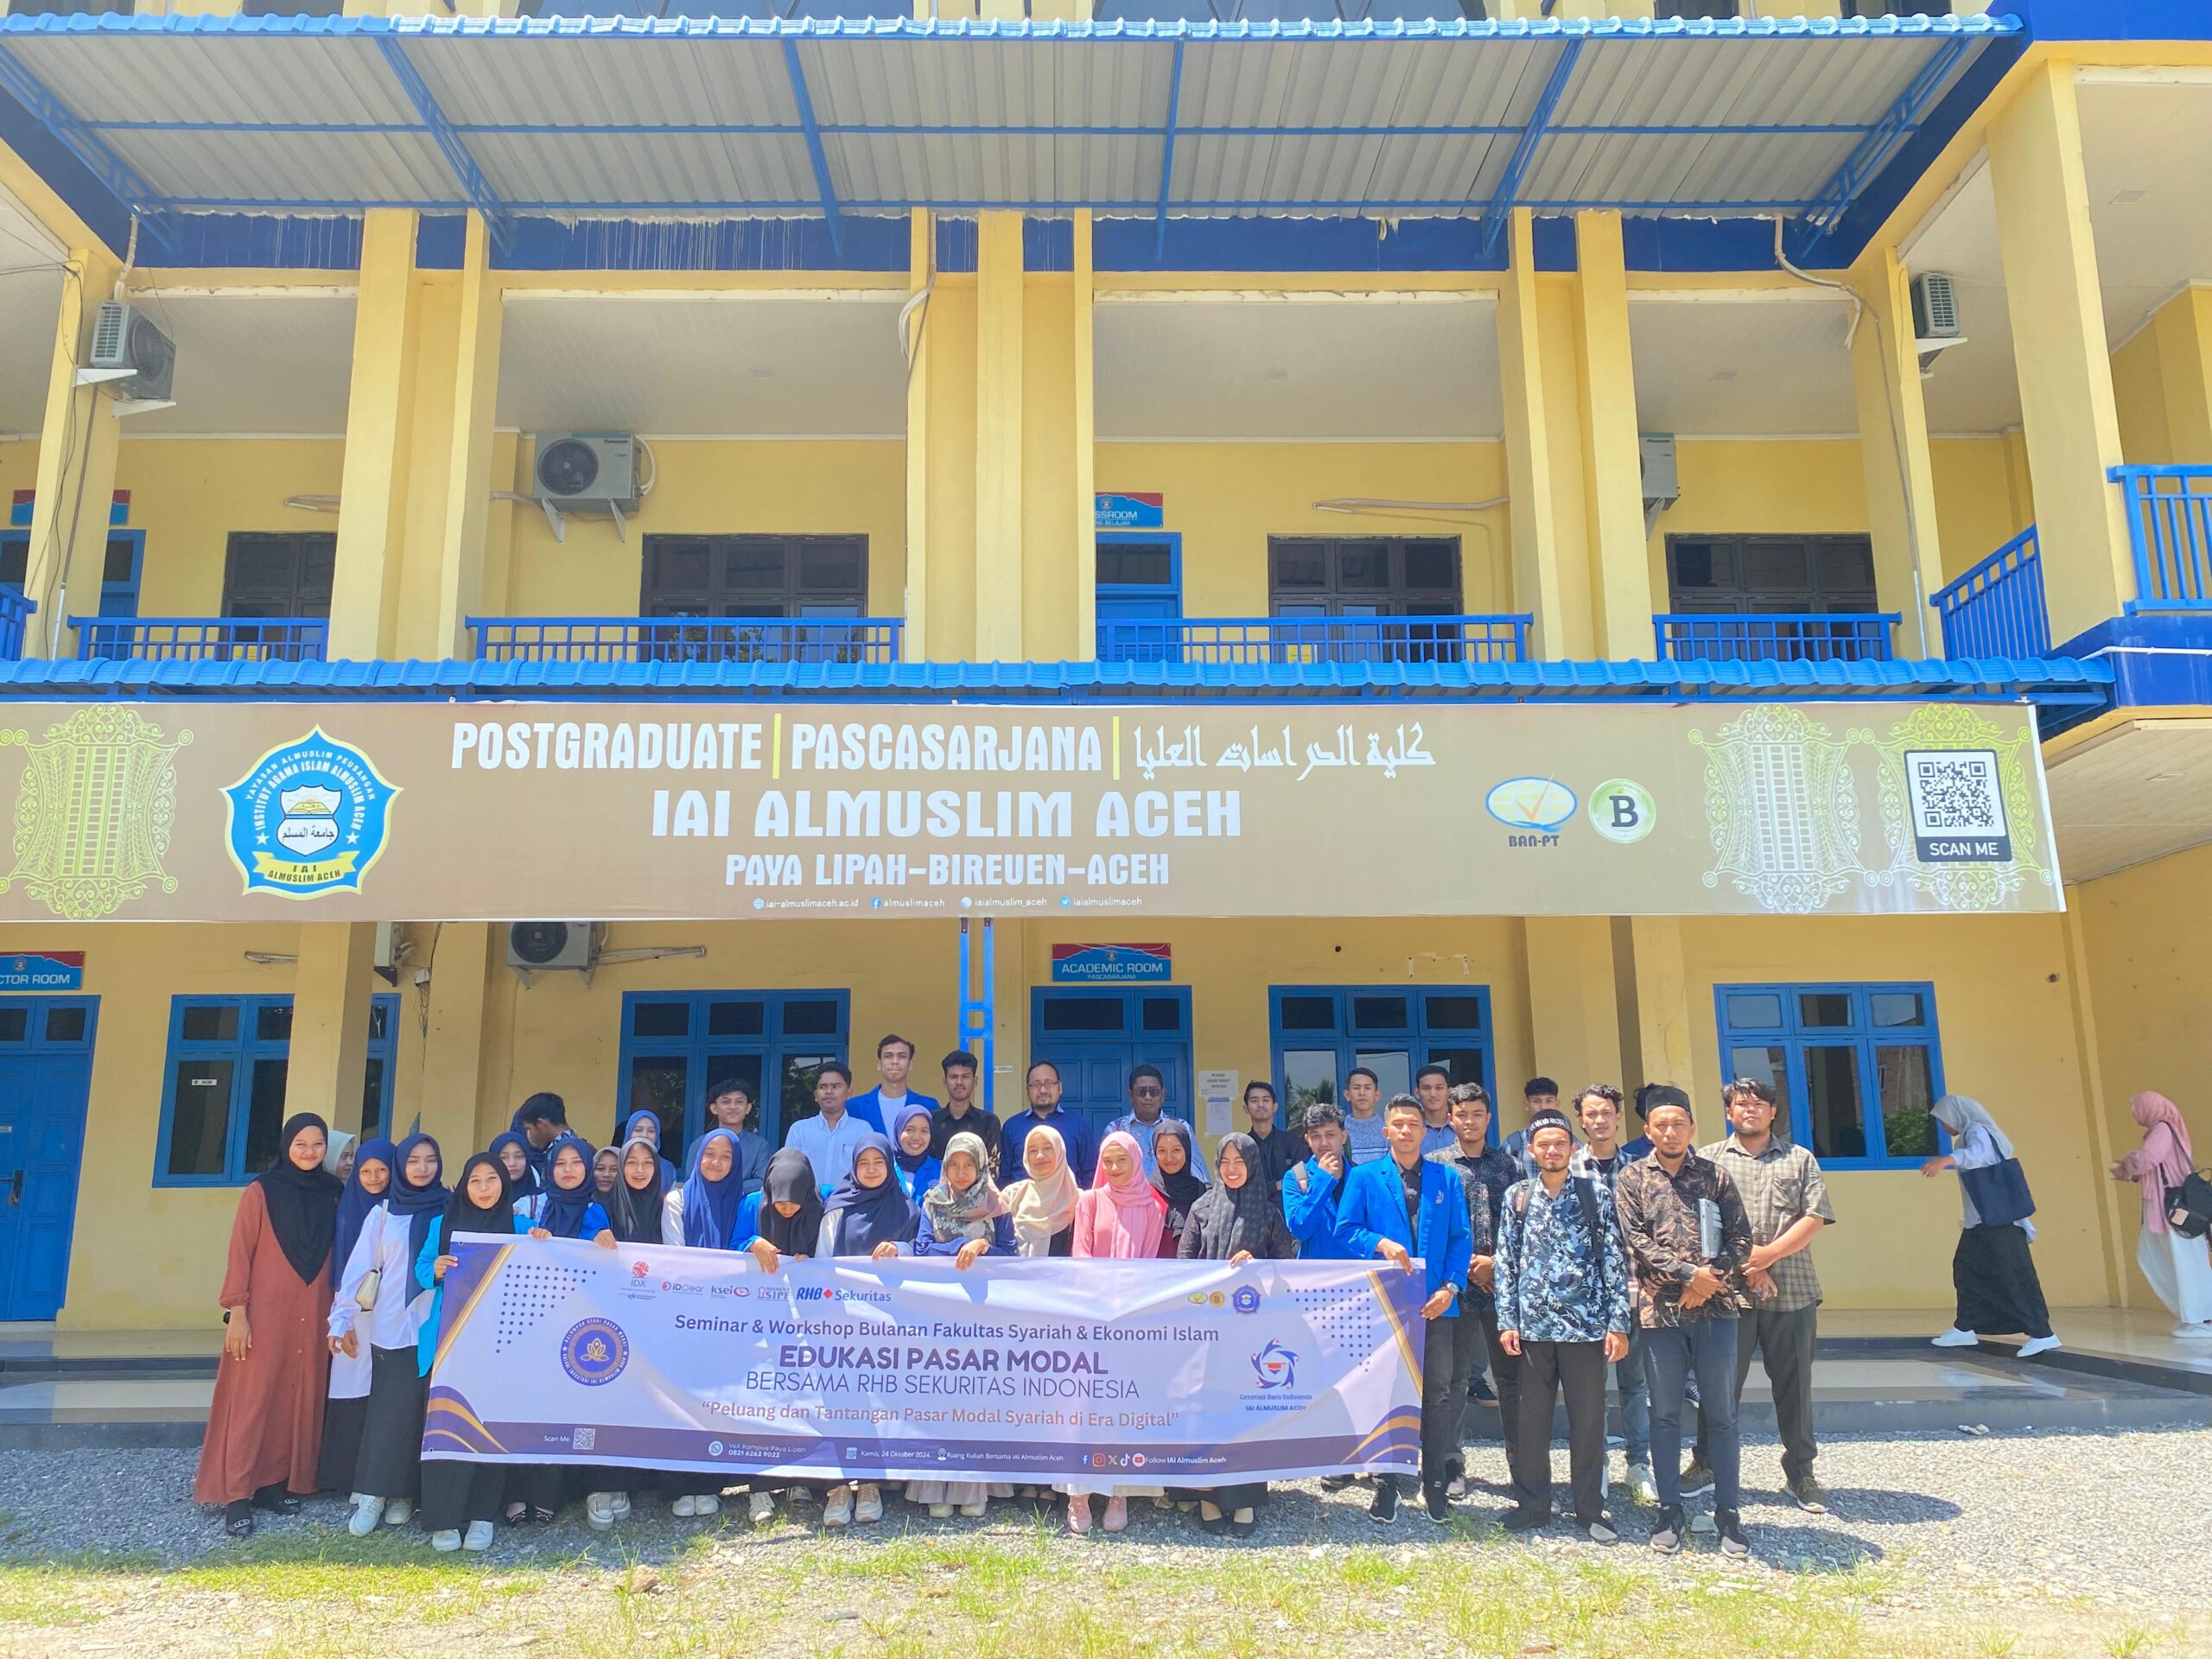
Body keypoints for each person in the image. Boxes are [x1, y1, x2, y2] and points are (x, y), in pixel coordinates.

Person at [1614, 1084, 1753, 1558]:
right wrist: (1688, 1275)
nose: (1670, 1131)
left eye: (1679, 1123)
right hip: (1661, 1314)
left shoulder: (1716, 1177)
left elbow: (1741, 1237)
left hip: (1717, 1310)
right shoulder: (1633, 1178)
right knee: (1665, 1413)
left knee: (1722, 1415)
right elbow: (1635, 1241)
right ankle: (1669, 1510)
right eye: (1661, 1124)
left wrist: (1709, 1278)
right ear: (1648, 1131)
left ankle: (1729, 1513)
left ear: (1693, 1128)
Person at [194, 1114, 340, 1536]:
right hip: (264, 1314)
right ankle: (237, 1494)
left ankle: (272, 1485)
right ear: (286, 1146)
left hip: (313, 1311)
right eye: (301, 1144)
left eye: (317, 1145)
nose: (310, 1152)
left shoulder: (332, 1193)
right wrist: (237, 1312)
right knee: (252, 1400)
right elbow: (241, 1252)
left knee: (294, 1396)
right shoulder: (261, 1191)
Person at [1696, 1077, 1836, 1514]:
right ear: (1729, 1112)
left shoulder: (1799, 1159)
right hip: (1725, 1295)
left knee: (1794, 1389)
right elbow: (1700, 1224)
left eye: (1759, 1104)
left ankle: (1801, 1474)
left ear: (1774, 1112)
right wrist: (1748, 1267)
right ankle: (1705, 1465)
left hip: (1791, 1291)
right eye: (1741, 1104)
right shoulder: (1709, 1160)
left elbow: (1814, 1217)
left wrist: (1767, 1257)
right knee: (1718, 1387)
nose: (1750, 1110)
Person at [1494, 1110, 1630, 1542]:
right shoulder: (1517, 1196)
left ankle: (1590, 1508)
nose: (1552, 1151)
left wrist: (1618, 1323)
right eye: (1543, 1144)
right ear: (1531, 1151)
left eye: (1560, 1143)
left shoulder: (1595, 1195)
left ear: (1572, 1149)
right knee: (1531, 1420)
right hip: (1533, 1328)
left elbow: (1613, 1260)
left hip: (1586, 1328)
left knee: (1588, 1421)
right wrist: (1507, 1319)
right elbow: (1506, 1263)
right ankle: (1533, 1505)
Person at [1337, 1096, 1473, 1526]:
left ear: (1425, 1129)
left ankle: (1433, 1482)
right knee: (1387, 1394)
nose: (1407, 1130)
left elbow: (1460, 1238)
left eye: (1414, 1123)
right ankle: (1387, 1483)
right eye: (1398, 1124)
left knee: (1437, 1394)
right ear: (1386, 1131)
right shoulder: (1364, 1177)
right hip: (1386, 1305)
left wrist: (1452, 1287)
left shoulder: (1446, 1178)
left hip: (1436, 1306)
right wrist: (1380, 1243)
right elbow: (1346, 1231)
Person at [1179, 1131, 1297, 1538]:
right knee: (1209, 1413)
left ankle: (1245, 1499)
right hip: (1206, 1335)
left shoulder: (1267, 1214)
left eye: (1239, 1161)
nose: (1231, 1169)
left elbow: (1287, 1270)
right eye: (1224, 1161)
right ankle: (1209, 1497)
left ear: (1252, 1165)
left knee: (1245, 1416)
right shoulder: (1201, 1209)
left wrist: (1257, 1265)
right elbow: (1184, 1268)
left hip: (1251, 1337)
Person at [329, 1133, 448, 1538]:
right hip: (393, 1326)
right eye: (413, 1160)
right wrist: (340, 1319)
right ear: (402, 1166)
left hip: (436, 1325)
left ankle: (404, 1495)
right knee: (388, 1413)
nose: (422, 1168)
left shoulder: (450, 1209)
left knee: (423, 1412)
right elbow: (360, 1268)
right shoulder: (384, 1214)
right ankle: (374, 1494)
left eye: (430, 1160)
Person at [416, 1154, 531, 1551]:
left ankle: (483, 1517)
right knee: (446, 1432)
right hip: (450, 1343)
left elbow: (549, 1260)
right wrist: (436, 1269)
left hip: (500, 1347)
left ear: (505, 1184)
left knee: (489, 1430)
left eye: (492, 1180)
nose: (484, 1188)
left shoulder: (522, 1227)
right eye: (476, 1181)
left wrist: (542, 1243)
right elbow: (421, 1268)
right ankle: (444, 1520)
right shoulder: (442, 1224)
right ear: (464, 1186)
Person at [1065, 1130, 1168, 1534]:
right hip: (1090, 1319)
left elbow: (1146, 1264)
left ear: (1136, 1161)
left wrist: (1124, 1307)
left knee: (1123, 1408)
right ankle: (1078, 1494)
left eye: (1120, 1161)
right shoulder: (1089, 1201)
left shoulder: (1154, 1207)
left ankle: (1118, 1492)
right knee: (1084, 1408)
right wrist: (1099, 1305)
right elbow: (1080, 1256)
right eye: (1106, 1161)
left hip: (1130, 1321)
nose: (1112, 1168)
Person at [1428, 1082, 1522, 1503]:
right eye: (1461, 1114)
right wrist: (1465, 1269)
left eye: (1477, 1114)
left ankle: (1524, 1466)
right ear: (1450, 1118)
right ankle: (1450, 1463)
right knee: (1453, 1379)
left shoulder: (1510, 1167)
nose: (1469, 1121)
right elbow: (1435, 1230)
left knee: (1513, 1380)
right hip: (1456, 1289)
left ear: (1488, 1117)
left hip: (1504, 1290)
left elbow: (1525, 1229)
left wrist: (1496, 1266)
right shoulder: (1437, 1167)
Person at [655, 1128, 753, 1524]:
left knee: (716, 1401)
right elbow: (676, 1257)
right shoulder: (676, 1200)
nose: (716, 1162)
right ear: (697, 1157)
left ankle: (711, 1484)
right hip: (685, 1315)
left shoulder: (745, 1204)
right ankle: (681, 1484)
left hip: (728, 1320)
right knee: (681, 1400)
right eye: (709, 1154)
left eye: (725, 1156)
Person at [1567, 1084, 1654, 1504]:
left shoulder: (1642, 1168)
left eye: (1606, 1113)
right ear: (1581, 1120)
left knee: (1636, 1384)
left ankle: (1639, 1464)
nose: (1599, 1120)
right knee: (1590, 1388)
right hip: (1583, 1300)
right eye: (1591, 1114)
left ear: (1619, 1118)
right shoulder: (1565, 1168)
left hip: (1635, 1290)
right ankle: (1594, 1463)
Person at [1924, 1093, 2060, 1357]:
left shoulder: (1978, 1131)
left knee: (2015, 1274)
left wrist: (1947, 1160)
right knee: (1966, 1269)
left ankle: (2043, 1334)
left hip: (1999, 1221)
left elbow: (1979, 1154)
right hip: (1980, 1222)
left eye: (1944, 1120)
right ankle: (1965, 1327)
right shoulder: (1967, 1134)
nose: (1943, 1127)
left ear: (1957, 1115)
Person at [737, 1149, 830, 1526]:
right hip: (760, 1317)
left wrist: (816, 1263)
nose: (788, 1210)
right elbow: (726, 1247)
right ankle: (758, 1487)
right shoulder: (751, 1204)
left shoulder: (823, 1200)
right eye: (781, 1203)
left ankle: (801, 1480)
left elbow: (834, 1248)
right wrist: (751, 1244)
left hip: (808, 1320)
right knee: (762, 1398)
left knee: (804, 1396)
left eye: (795, 1203)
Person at [318, 1135, 393, 1497]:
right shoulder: (348, 1208)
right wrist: (341, 1317)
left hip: (391, 1310)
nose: (374, 1178)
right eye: (366, 1171)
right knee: (349, 1386)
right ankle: (342, 1476)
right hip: (353, 1308)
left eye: (382, 1170)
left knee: (384, 1390)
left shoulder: (400, 1208)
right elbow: (342, 1268)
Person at [2113, 1091, 2212, 1338]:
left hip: (2174, 1209)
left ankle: (2202, 1318)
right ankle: (2192, 1314)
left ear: (2150, 1107)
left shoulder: (2163, 1129)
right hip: (2163, 1209)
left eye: (2136, 1107)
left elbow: (2149, 1158)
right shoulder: (2160, 1129)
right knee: (2154, 1256)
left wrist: (2128, 1161)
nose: (2134, 1113)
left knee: (2186, 1261)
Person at [1000, 1060, 1095, 1200]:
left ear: (1060, 1088)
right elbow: (1004, 1176)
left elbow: (1090, 1173)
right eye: (1036, 1085)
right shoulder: (1012, 1126)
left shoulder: (1079, 1125)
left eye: (1049, 1083)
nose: (1043, 1090)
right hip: (1022, 1213)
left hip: (1068, 1212)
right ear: (1028, 1090)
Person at [1105, 1065, 1210, 1183]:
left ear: (1162, 1095)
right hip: (1129, 1200)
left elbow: (1198, 1171)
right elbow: (1105, 1174)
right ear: (1131, 1096)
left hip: (1174, 1198)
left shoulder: (1181, 1128)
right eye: (1141, 1092)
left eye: (1154, 1092)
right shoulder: (1116, 1130)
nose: (1148, 1097)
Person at [1284, 1100, 1354, 1259]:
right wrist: (1323, 1179)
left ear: (1343, 1136)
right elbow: (1300, 1230)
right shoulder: (1295, 1176)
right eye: (1316, 1136)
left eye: (1330, 1135)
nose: (1323, 1143)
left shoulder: (1360, 1175)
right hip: (1314, 1277)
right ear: (1308, 1140)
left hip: (1355, 1276)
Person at [785, 1061, 871, 1188]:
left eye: (836, 1086)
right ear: (815, 1095)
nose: (829, 1091)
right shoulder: (799, 1130)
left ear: (849, 1093)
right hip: (807, 1204)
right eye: (823, 1087)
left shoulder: (863, 1130)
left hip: (848, 1204)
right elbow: (788, 1173)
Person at [519, 1135, 614, 1244]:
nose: (568, 1169)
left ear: (588, 1167)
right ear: (551, 1169)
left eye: (576, 1162)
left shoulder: (593, 1211)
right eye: (560, 1163)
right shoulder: (533, 1207)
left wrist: (597, 1236)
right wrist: (536, 1235)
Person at [1004, 1125, 1080, 1258]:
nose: (1040, 1156)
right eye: (1032, 1150)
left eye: (1048, 1148)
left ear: (1060, 1151)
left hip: (1063, 1277)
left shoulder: (1077, 1199)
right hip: (1017, 1277)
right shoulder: (1013, 1195)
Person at [848, 1033, 938, 1137]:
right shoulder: (854, 1107)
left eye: (902, 1056)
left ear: (910, 1065)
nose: (895, 1061)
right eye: (888, 1056)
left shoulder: (929, 1106)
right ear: (879, 1065)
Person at [929, 1048, 1002, 1174]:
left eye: (965, 1077)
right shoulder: (931, 1120)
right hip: (937, 1190)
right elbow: (927, 1165)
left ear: (975, 1081)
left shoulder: (989, 1122)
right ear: (945, 1082)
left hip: (979, 1192)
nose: (959, 1082)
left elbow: (992, 1169)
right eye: (953, 1077)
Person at [699, 1077, 772, 1196]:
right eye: (726, 1102)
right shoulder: (699, 1145)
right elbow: (693, 1181)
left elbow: (763, 1181)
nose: (733, 1107)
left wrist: (729, 1188)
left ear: (748, 1108)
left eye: (739, 1102)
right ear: (714, 1108)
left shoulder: (760, 1146)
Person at [1150, 1121, 1209, 1256]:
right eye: (1162, 1151)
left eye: (1176, 1150)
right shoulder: (1146, 1193)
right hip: (1153, 1273)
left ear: (1187, 1150)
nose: (1169, 1158)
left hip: (1193, 1274)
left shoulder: (1204, 1194)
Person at [1238, 1080, 1300, 1210]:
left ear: (1275, 1106)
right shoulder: (1241, 1147)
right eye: (1254, 1100)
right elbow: (1242, 1190)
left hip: (1289, 1214)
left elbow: (1302, 1179)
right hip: (1252, 1216)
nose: (1260, 1105)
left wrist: (1267, 1187)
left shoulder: (1293, 1143)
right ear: (1246, 1108)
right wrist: (1277, 1185)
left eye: (1266, 1100)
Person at [606, 1135, 666, 1245]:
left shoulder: (666, 1209)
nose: (640, 1170)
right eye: (632, 1163)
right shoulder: (605, 1207)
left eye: (648, 1163)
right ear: (621, 1166)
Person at [1503, 1077, 1566, 1179]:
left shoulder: (1570, 1143)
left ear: (1557, 1104)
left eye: (1549, 1101)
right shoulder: (1512, 1145)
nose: (1543, 1107)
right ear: (1527, 1105)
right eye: (1537, 1101)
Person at [511, 1092, 569, 1184]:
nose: (528, 1135)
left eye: (528, 1129)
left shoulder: (556, 1155)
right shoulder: (586, 1149)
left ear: (540, 1124)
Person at [890, 1103, 943, 1202]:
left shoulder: (942, 1170)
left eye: (924, 1131)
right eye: (910, 1130)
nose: (916, 1137)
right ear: (898, 1131)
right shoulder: (885, 1169)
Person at [1341, 1066, 1389, 1166]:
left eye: (1367, 1088)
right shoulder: (1340, 1132)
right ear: (1347, 1095)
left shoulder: (1387, 1131)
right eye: (1356, 1088)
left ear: (1377, 1095)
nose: (1362, 1093)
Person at [621, 1110, 681, 1188]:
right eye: (638, 1130)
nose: (644, 1135)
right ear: (629, 1133)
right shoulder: (617, 1164)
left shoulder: (667, 1168)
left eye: (651, 1131)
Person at [1415, 1065, 1459, 1155]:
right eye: (1426, 1088)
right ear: (1417, 1093)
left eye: (1439, 1088)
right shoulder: (1411, 1129)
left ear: (1449, 1092)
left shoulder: (1461, 1127)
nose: (1433, 1094)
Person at [488, 1129, 540, 1200]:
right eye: (504, 1157)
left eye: (519, 1156)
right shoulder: (481, 1196)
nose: (512, 1163)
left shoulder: (542, 1201)